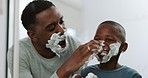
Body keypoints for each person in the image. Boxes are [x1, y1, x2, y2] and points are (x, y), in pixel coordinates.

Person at [7, 0, 100, 78]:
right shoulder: (18, 53)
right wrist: (66, 68)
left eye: (61, 22)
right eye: (51, 27)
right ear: (33, 35)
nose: (62, 30)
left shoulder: (74, 45)